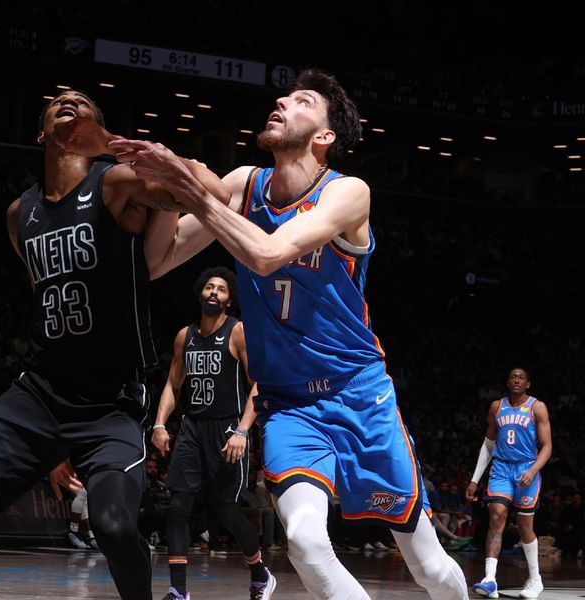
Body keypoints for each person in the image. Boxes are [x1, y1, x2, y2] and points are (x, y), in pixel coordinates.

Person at [110, 68, 469, 599]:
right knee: (302, 540)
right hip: (289, 406)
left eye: (302, 101)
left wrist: (189, 185)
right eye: (284, 95)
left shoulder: (348, 193)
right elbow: (158, 261)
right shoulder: (242, 184)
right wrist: (167, 194)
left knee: (428, 565)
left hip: (359, 394)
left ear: (325, 136)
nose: (281, 101)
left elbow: (267, 253)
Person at [0, 89, 229, 600]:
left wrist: (109, 144)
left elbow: (213, 190)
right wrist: (50, 448)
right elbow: (44, 305)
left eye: (83, 102)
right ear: (40, 131)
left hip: (111, 402)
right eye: (56, 101)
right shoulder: (17, 215)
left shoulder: (114, 183)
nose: (68, 99)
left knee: (113, 527)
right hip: (40, 396)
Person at [152, 267, 274, 600]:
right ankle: (178, 590)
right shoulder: (184, 337)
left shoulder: (238, 332)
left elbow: (258, 384)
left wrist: (242, 430)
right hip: (192, 427)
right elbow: (172, 385)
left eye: (220, 289)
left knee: (227, 511)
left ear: (229, 299)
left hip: (227, 429)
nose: (213, 292)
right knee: (178, 507)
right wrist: (160, 423)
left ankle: (260, 573)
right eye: (209, 287)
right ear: (200, 294)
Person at [466, 368, 551, 599]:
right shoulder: (497, 407)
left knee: (525, 527)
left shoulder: (537, 407)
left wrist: (533, 470)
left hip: (526, 468)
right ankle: (490, 579)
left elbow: (547, 446)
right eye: (512, 377)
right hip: (501, 468)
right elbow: (488, 444)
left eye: (520, 377)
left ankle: (535, 579)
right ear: (507, 382)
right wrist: (475, 479)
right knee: (496, 517)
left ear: (528, 384)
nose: (516, 380)